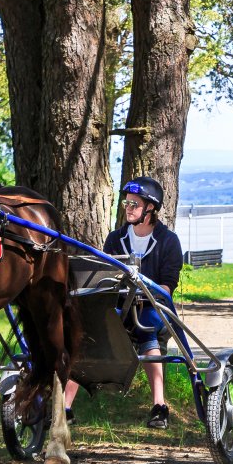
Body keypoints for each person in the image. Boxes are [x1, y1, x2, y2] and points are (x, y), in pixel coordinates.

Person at [64, 176, 183, 428]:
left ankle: (159, 406)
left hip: (151, 306)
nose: (128, 208)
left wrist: (144, 291)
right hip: (119, 304)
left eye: (134, 204)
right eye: (126, 203)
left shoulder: (168, 241)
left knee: (147, 330)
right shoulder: (115, 238)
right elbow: (107, 276)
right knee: (86, 334)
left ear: (150, 209)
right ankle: (65, 407)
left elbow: (167, 286)